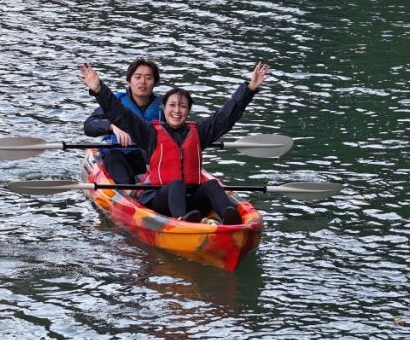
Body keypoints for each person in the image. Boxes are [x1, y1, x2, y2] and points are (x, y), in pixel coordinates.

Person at [78, 60, 270, 224]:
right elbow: (120, 114)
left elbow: (226, 116)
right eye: (172, 105)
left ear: (188, 111)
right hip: (160, 197)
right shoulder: (149, 133)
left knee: (212, 185)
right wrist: (98, 89)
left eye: (182, 106)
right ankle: (183, 221)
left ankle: (232, 221)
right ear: (165, 108)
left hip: (191, 198)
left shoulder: (199, 132)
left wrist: (250, 89)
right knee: (176, 184)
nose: (176, 111)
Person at [82, 58, 163, 185]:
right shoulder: (116, 102)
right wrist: (111, 126)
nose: (143, 82)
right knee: (113, 155)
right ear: (129, 81)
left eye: (148, 78)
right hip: (120, 157)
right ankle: (130, 191)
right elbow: (89, 126)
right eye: (137, 77)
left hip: (151, 159)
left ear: (155, 82)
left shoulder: (166, 106)